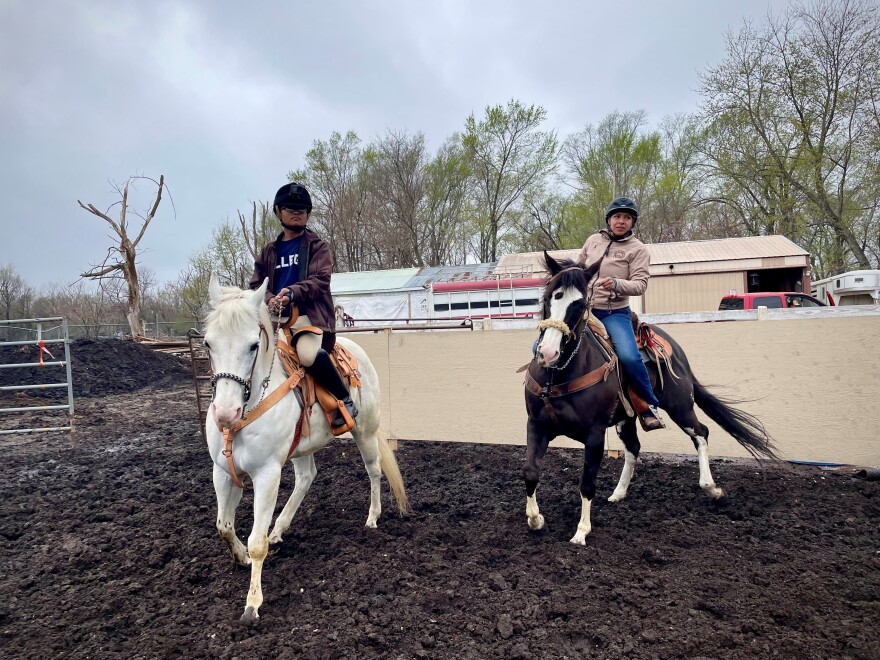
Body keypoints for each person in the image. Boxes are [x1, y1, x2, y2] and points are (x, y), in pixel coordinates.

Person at [248, 182, 358, 429]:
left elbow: (320, 281)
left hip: (308, 319)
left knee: (307, 356)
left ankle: (344, 399)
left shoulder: (318, 247)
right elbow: (256, 285)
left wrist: (290, 293)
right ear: (278, 212)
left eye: (302, 208)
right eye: (289, 207)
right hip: (274, 318)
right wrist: (269, 299)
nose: (296, 212)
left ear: (308, 213)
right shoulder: (268, 252)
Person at [576, 196, 665, 431]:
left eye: (627, 217)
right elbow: (578, 270)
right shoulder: (593, 241)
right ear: (609, 219)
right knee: (543, 344)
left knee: (629, 356)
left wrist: (616, 283)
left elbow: (640, 285)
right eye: (617, 216)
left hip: (613, 313)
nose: (621, 221)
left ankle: (647, 404)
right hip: (586, 311)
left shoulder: (637, 249)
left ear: (632, 222)